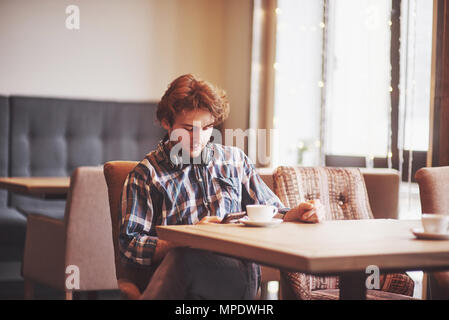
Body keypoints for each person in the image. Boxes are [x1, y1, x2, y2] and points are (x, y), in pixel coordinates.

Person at [119, 74, 324, 300]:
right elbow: (130, 246)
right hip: (179, 281)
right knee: (184, 258)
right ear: (167, 123)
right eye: (188, 129)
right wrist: (190, 237)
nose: (199, 137)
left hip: (237, 273)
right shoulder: (146, 175)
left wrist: (298, 213)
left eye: (206, 127)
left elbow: (271, 211)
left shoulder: (235, 161)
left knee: (187, 260)